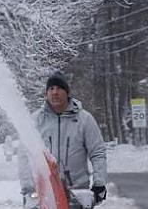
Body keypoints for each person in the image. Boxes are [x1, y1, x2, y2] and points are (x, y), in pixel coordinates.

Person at [19, 73, 107, 206]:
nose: (55, 92)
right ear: (46, 93)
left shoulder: (84, 120)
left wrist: (99, 183)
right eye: (51, 89)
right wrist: (28, 188)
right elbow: (24, 156)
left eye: (59, 88)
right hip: (44, 193)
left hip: (77, 193)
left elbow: (97, 153)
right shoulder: (35, 121)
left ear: (67, 92)